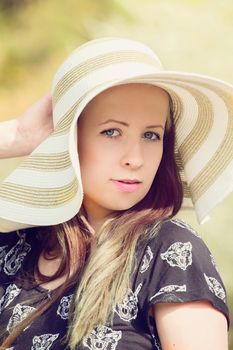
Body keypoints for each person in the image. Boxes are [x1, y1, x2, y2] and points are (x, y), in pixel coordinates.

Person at [0, 37, 232, 350]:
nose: (135, 158)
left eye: (151, 135)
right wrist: (17, 136)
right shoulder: (17, 249)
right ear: (71, 139)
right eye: (112, 131)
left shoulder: (172, 252)